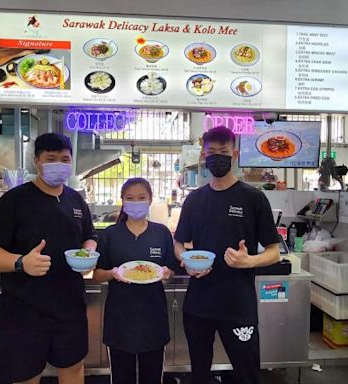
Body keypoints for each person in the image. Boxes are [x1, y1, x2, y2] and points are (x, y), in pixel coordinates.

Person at [0, 133, 97, 384]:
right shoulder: (14, 200)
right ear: (37, 161)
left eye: (64, 159)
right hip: (24, 310)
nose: (59, 165)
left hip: (69, 307)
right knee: (25, 376)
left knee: (74, 368)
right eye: (51, 159)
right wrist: (21, 262)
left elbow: (89, 235)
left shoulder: (76, 200)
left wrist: (88, 251)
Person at [174, 126, 280, 384]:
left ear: (233, 153)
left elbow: (274, 252)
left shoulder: (253, 198)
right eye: (211, 152)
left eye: (223, 151)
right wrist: (185, 261)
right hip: (198, 305)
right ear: (203, 155)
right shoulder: (194, 200)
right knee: (199, 372)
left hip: (237, 305)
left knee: (247, 373)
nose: (217, 157)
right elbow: (178, 242)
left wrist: (249, 261)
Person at [93, 178, 176, 384]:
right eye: (130, 198)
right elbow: (97, 274)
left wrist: (166, 273)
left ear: (150, 200)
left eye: (141, 197)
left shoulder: (161, 233)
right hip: (120, 319)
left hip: (153, 318)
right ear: (122, 201)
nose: (136, 202)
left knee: (152, 377)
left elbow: (171, 270)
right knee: (121, 377)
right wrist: (112, 273)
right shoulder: (110, 234)